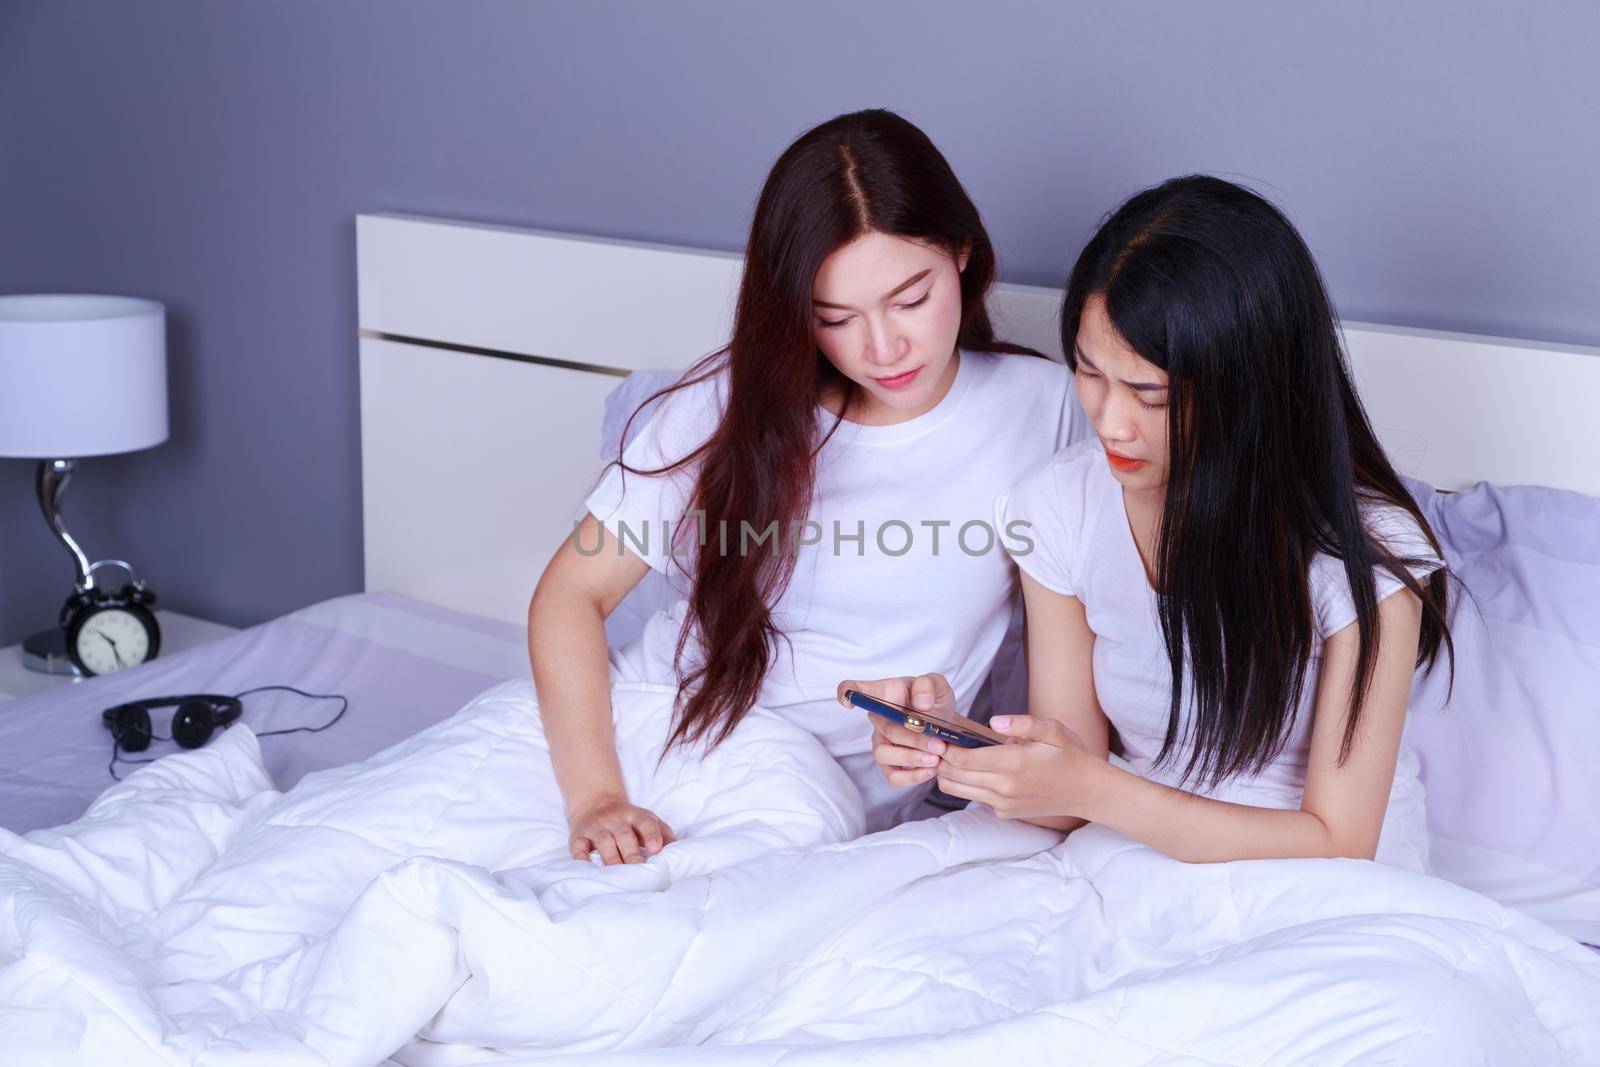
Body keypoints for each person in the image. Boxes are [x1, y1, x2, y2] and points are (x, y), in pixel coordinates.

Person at [529, 109, 1088, 864]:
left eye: (911, 299)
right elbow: (569, 594)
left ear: (963, 252)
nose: (882, 347)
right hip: (624, 729)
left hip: (800, 799)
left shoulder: (1047, 411)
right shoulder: (725, 404)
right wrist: (597, 797)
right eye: (836, 317)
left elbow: (1068, 753)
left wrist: (952, 741)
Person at [865, 175, 1452, 869]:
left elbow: (1339, 841)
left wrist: (1098, 787)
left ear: (1249, 387)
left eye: (1151, 394)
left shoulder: (1364, 555)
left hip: (1311, 881)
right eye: (1089, 373)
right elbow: (1068, 790)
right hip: (1131, 848)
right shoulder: (1060, 505)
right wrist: (956, 745)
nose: (1111, 423)